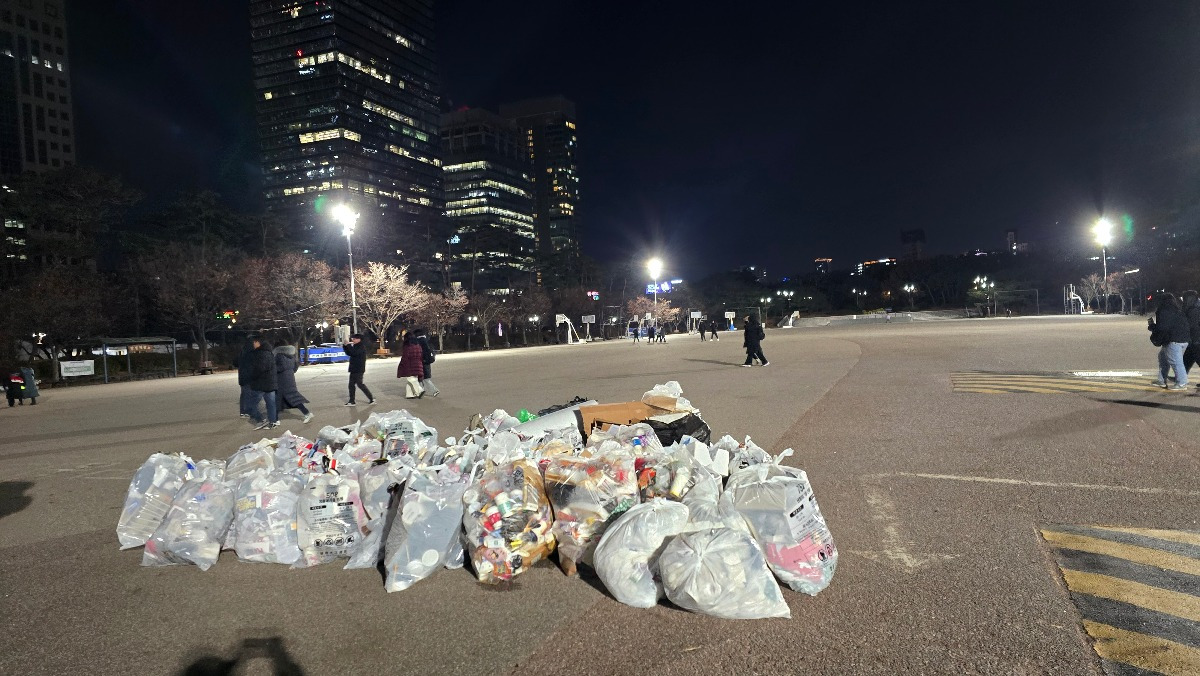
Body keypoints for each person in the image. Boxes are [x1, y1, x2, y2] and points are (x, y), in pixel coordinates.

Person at [1149, 292, 1190, 390]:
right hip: (1182, 338)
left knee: (1176, 362)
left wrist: (1153, 330)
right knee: (1163, 358)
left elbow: (1163, 328)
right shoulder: (1176, 309)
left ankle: (1182, 383)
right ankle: (1161, 380)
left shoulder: (1164, 310)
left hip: (1173, 340)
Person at [246, 336, 280, 429]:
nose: (253, 344)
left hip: (261, 383)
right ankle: (272, 422)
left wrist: (251, 376)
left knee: (251, 404)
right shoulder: (269, 353)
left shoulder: (261, 353)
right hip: (270, 383)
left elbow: (260, 368)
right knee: (271, 404)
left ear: (258, 343)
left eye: (254, 342)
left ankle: (260, 420)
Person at [274, 344, 313, 424]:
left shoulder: (279, 356)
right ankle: (307, 413)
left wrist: (273, 370)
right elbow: (295, 367)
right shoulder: (292, 356)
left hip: (281, 380)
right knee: (293, 397)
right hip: (290, 379)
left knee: (278, 398)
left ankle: (275, 419)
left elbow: (279, 367)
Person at [343, 333, 375, 406]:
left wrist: (348, 345)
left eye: (354, 339)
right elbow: (350, 353)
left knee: (360, 384)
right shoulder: (356, 346)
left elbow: (354, 353)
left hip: (359, 368)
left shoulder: (361, 346)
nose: (353, 340)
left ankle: (371, 398)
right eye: (352, 339)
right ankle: (352, 401)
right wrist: (345, 346)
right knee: (351, 385)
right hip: (353, 368)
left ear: (359, 339)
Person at [396, 331, 426, 399]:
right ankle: (409, 394)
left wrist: (401, 366)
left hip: (410, 365)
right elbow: (421, 355)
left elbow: (405, 357)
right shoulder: (418, 346)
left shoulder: (407, 346)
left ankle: (420, 390)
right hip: (418, 363)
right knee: (412, 379)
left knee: (411, 379)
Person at [234, 337, 256, 419]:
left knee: (244, 394)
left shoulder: (241, 352)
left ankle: (243, 412)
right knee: (249, 394)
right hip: (249, 376)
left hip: (242, 376)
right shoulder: (252, 353)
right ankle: (247, 411)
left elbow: (235, 362)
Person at [414, 328, 440, 397]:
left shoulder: (418, 342)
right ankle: (421, 391)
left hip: (421, 362)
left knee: (423, 379)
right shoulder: (427, 341)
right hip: (427, 362)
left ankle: (434, 390)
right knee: (424, 378)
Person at [1181, 290, 1200, 382]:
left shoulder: (1194, 309)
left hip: (1196, 339)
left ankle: (1181, 377)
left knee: (1197, 358)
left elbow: (1191, 325)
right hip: (1194, 338)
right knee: (1187, 359)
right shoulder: (1194, 307)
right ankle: (1181, 377)